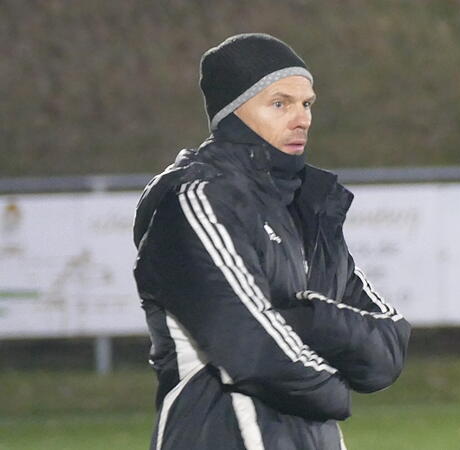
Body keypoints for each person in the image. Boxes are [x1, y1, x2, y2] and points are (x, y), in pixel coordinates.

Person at [132, 33, 411, 450]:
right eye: (280, 103)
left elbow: (389, 345)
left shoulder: (309, 206)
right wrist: (337, 385)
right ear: (233, 113)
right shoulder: (197, 199)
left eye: (307, 103)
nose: (302, 118)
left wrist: (301, 316)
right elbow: (254, 350)